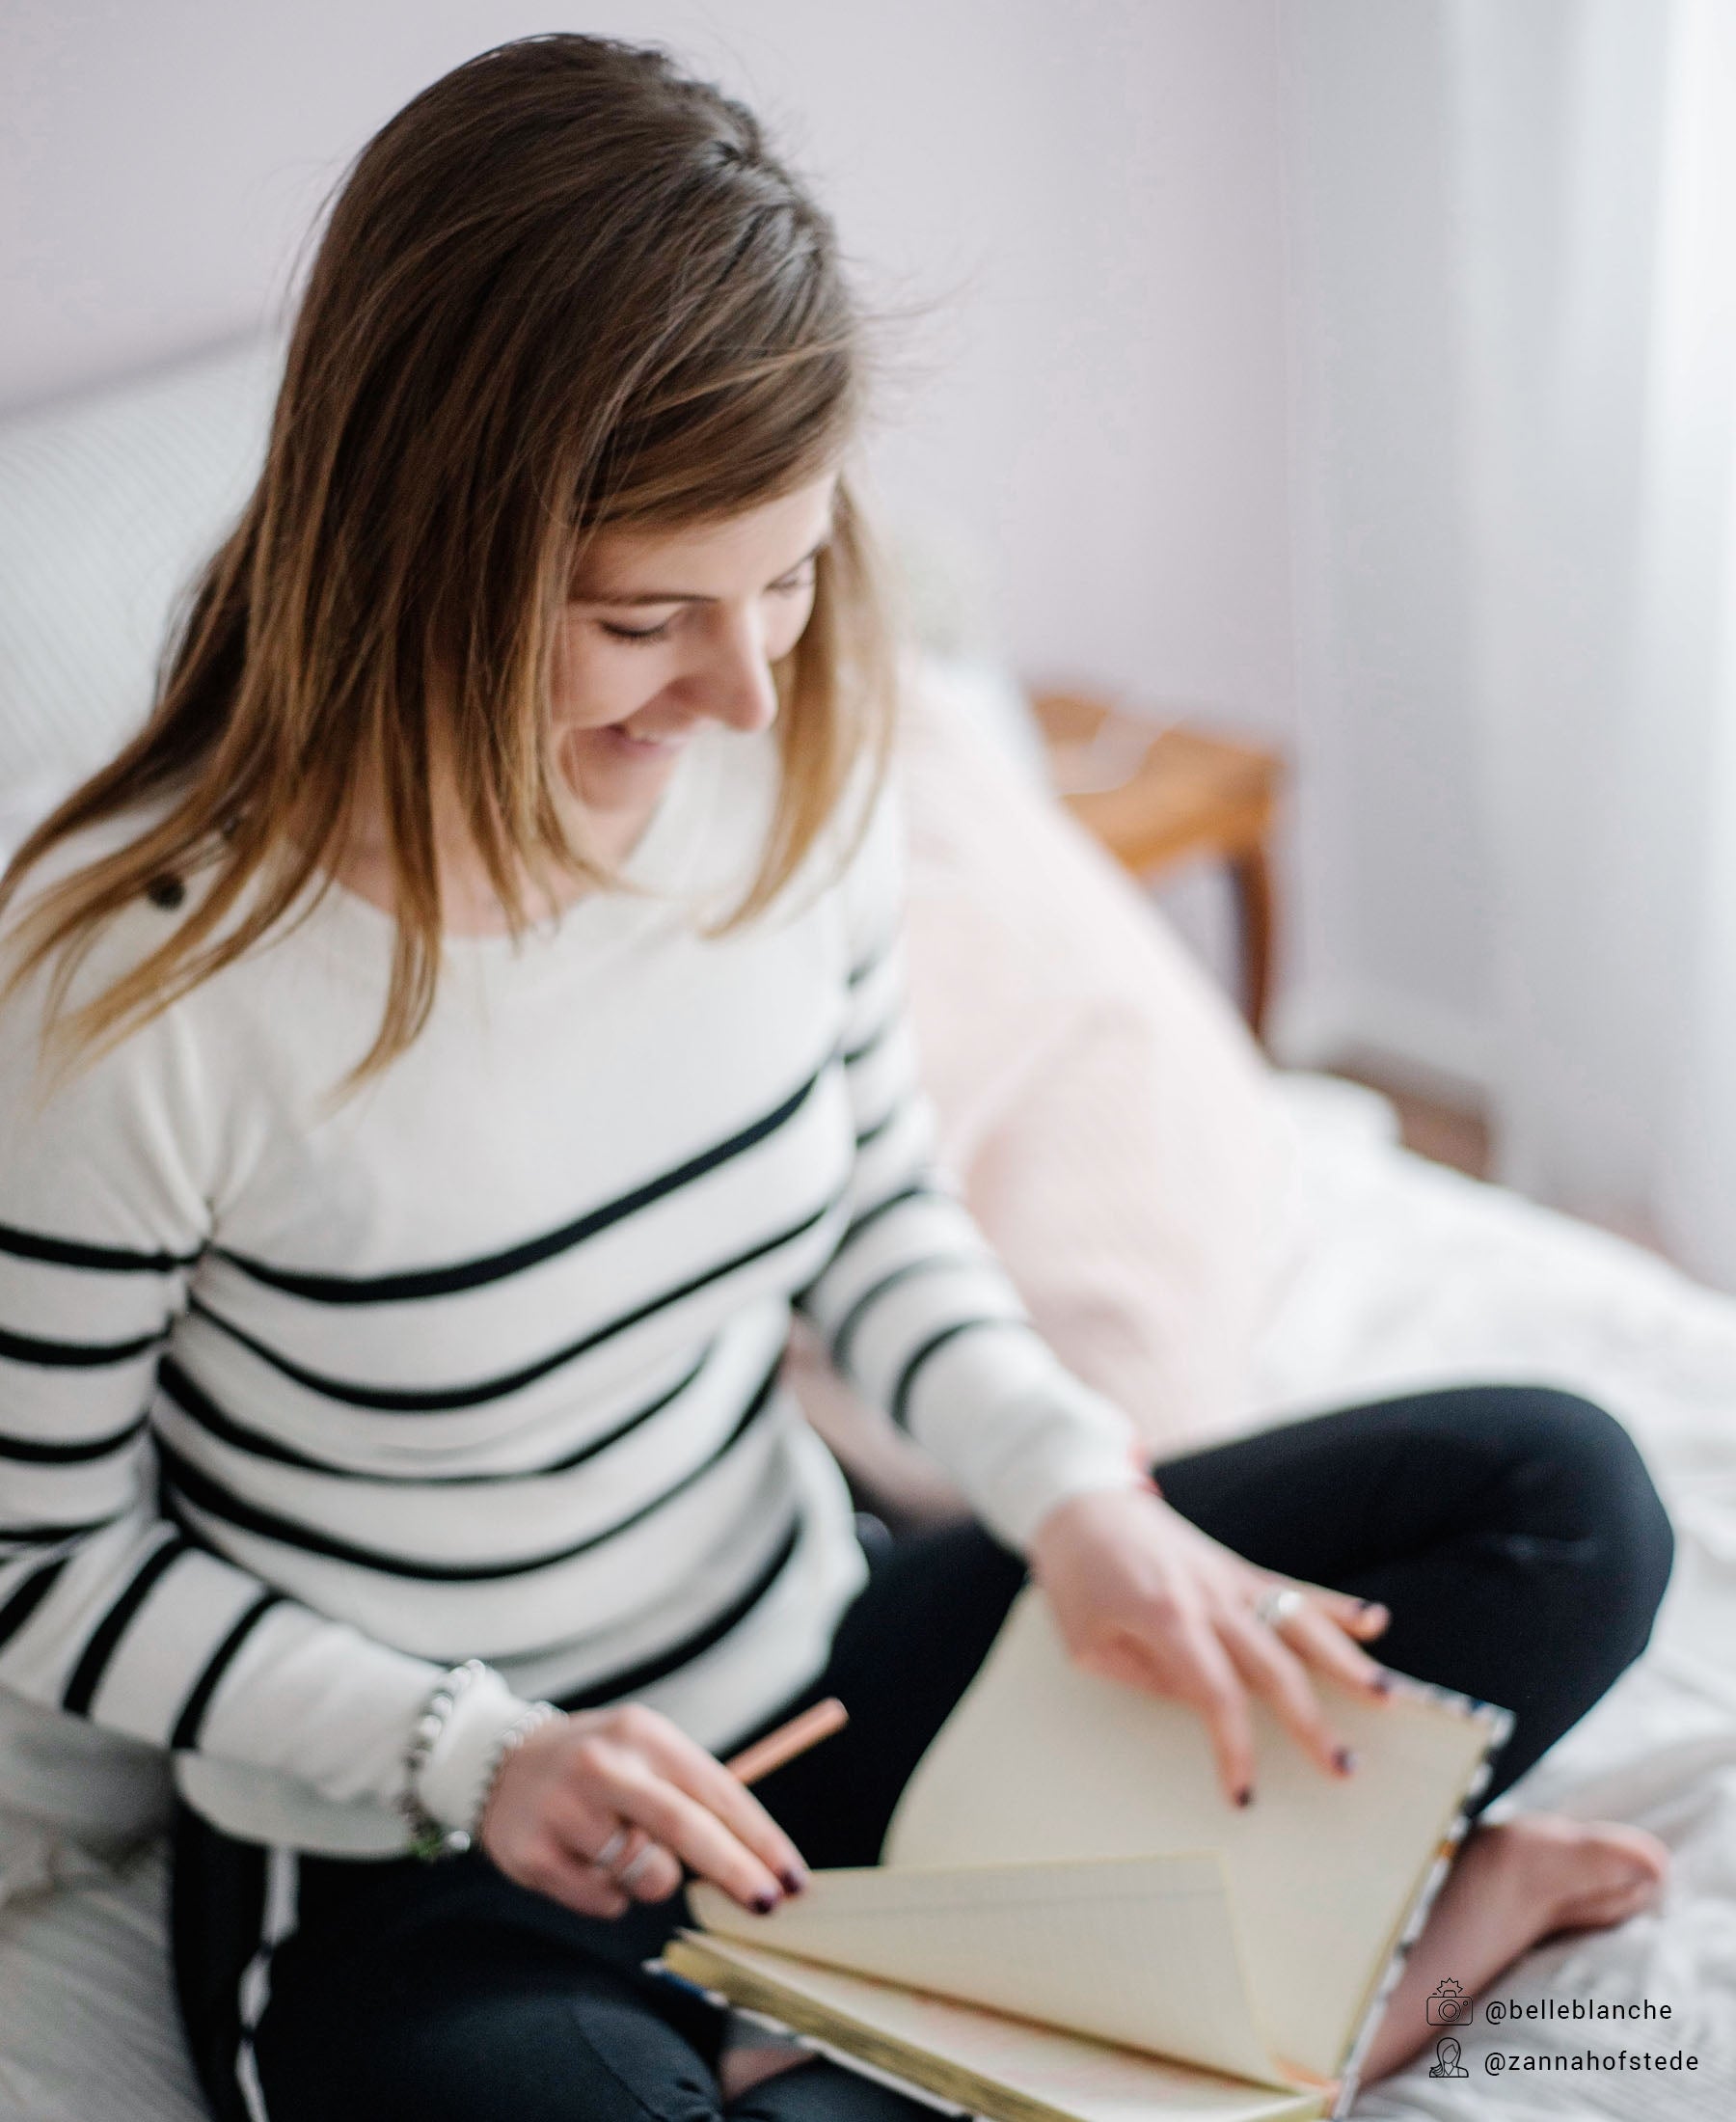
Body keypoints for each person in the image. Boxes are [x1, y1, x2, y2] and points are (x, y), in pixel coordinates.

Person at [0, 35, 1673, 2122]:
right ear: (423, 541)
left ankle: (1007, 2006)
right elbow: (39, 1562)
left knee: (1561, 1499)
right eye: (644, 619)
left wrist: (1075, 1496)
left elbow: (870, 1201)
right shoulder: (130, 992)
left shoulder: (788, 757)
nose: (744, 687)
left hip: (826, 1670)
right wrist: (477, 1747)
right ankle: (1327, 1977)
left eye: (785, 578)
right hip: (425, 1844)